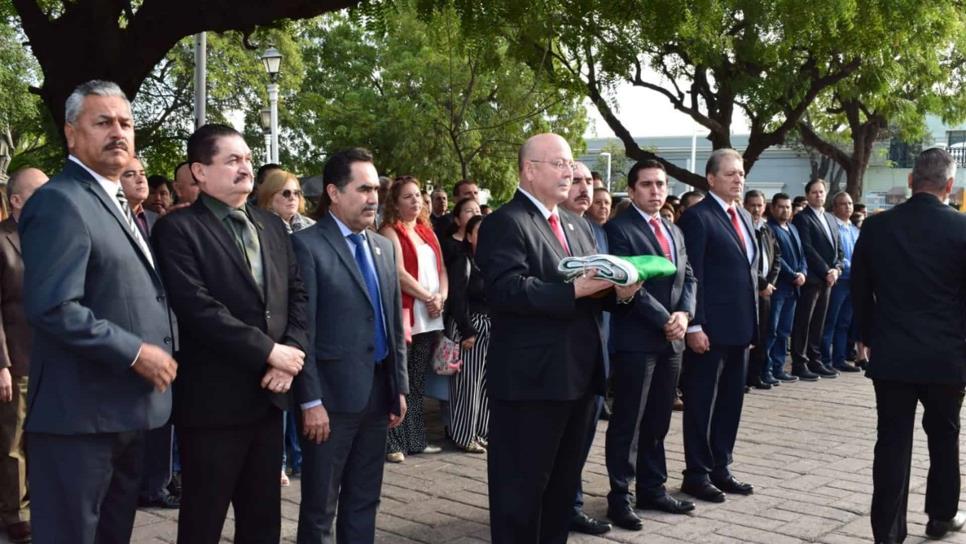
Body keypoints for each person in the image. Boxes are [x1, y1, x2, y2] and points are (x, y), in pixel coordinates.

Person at [19, 80, 177, 544]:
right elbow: (53, 306)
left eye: (126, 122)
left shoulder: (116, 201)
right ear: (71, 134)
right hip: (78, 420)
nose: (118, 133)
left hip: (126, 413)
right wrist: (135, 352)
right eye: (103, 122)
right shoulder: (60, 201)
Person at [476, 133, 640, 543]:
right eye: (560, 164)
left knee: (561, 494)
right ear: (530, 170)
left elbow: (593, 291)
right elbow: (506, 291)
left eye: (571, 164)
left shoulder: (577, 224)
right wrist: (573, 291)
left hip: (580, 380)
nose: (570, 172)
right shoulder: (505, 223)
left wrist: (620, 293)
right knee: (520, 497)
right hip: (531, 385)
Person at [152, 123, 308, 544]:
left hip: (269, 399)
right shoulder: (177, 229)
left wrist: (291, 353)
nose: (245, 167)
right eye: (232, 159)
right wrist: (269, 352)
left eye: (247, 159)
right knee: (204, 521)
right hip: (212, 405)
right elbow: (198, 308)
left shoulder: (272, 226)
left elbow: (297, 295)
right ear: (199, 172)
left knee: (263, 524)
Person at [292, 147, 409, 544]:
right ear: (334, 192)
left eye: (376, 189)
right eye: (362, 189)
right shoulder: (307, 246)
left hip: (378, 394)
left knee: (364, 499)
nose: (373, 198)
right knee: (320, 505)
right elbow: (301, 332)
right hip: (330, 399)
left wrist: (400, 386)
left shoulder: (383, 247)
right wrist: (310, 401)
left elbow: (394, 323)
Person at [852, 148, 966, 543]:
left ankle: (887, 532)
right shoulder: (962, 228)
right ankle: (941, 516)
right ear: (949, 185)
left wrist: (865, 336)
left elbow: (860, 289)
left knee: (892, 443)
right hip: (947, 357)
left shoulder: (878, 227)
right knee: (945, 437)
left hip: (893, 353)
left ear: (911, 181)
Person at [604, 159, 696, 531]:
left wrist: (685, 316)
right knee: (628, 421)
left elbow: (689, 276)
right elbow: (629, 285)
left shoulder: (674, 230)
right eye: (646, 185)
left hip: (671, 341)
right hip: (636, 339)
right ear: (631, 190)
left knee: (659, 418)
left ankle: (652, 488)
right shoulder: (618, 230)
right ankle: (619, 496)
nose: (655, 191)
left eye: (660, 184)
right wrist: (665, 319)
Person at [677, 148, 758, 503]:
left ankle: (721, 467)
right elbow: (693, 275)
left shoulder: (742, 214)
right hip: (708, 329)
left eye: (741, 173)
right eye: (730, 174)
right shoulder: (698, 217)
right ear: (711, 179)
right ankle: (696, 472)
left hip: (740, 328)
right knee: (701, 403)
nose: (738, 179)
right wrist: (695, 325)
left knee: (730, 403)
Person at [380, 176, 448, 463]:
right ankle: (393, 441)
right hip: (408, 314)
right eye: (407, 196)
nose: (415, 200)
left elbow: (443, 269)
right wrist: (427, 297)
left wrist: (441, 297)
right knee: (400, 380)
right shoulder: (389, 231)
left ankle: (416, 439)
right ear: (395, 202)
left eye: (418, 195)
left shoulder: (426, 230)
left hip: (431, 316)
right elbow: (397, 272)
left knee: (418, 380)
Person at [560, 161, 611, 536]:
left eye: (588, 183)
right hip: (559, 358)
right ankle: (560, 506)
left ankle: (571, 504)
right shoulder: (549, 229)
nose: (583, 189)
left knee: (583, 436)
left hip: (596, 349)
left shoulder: (596, 231)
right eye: (575, 181)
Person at [0, 167, 47, 544]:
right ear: (16, 201)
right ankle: (15, 516)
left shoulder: (51, 238)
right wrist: (1, 363)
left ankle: (42, 504)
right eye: (38, 192)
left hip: (53, 360)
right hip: (17, 359)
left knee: (44, 437)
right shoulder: (2, 241)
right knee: (13, 442)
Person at [445, 215, 490, 455]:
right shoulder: (464, 260)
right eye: (479, 232)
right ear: (469, 236)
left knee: (484, 385)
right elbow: (457, 298)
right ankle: (464, 434)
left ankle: (481, 431)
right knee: (468, 385)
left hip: (490, 328)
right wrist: (467, 331)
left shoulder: (493, 261)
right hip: (470, 328)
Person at [791, 179, 843, 380]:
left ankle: (815, 360)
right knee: (804, 321)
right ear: (807, 195)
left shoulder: (830, 218)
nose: (818, 195)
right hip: (812, 279)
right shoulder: (802, 218)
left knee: (819, 323)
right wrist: (826, 271)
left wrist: (837, 269)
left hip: (829, 279)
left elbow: (839, 248)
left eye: (821, 192)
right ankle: (800, 362)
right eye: (814, 192)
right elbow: (807, 248)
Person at [764, 193, 806, 383]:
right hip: (778, 287)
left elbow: (802, 255)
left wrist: (802, 272)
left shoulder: (793, 229)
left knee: (784, 330)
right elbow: (777, 259)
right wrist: (792, 275)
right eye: (781, 206)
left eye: (788, 207)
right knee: (771, 329)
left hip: (793, 288)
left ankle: (779, 367)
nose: (785, 210)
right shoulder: (770, 229)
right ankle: (767, 369)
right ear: (772, 208)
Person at [744, 190, 781, 389]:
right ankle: (742, 378)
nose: (756, 209)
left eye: (760, 205)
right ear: (745, 205)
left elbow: (777, 258)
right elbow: (745, 262)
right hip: (749, 291)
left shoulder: (767, 229)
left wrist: (769, 283)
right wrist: (761, 284)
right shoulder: (742, 228)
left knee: (763, 335)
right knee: (748, 336)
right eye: (752, 205)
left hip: (767, 291)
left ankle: (755, 375)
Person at [822, 192, 860, 373]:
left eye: (850, 203)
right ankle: (825, 359)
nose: (848, 207)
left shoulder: (854, 229)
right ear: (835, 207)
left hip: (853, 281)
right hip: (839, 280)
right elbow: (837, 255)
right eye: (843, 204)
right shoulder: (832, 228)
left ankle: (840, 358)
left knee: (845, 322)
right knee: (831, 321)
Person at [257, 168, 316, 234]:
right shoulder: (260, 228)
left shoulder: (312, 226)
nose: (292, 198)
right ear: (270, 197)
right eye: (286, 193)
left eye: (296, 193)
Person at [120, 156, 159, 238]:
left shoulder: (157, 219)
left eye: (143, 174)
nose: (141, 180)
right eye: (130, 175)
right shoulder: (105, 218)